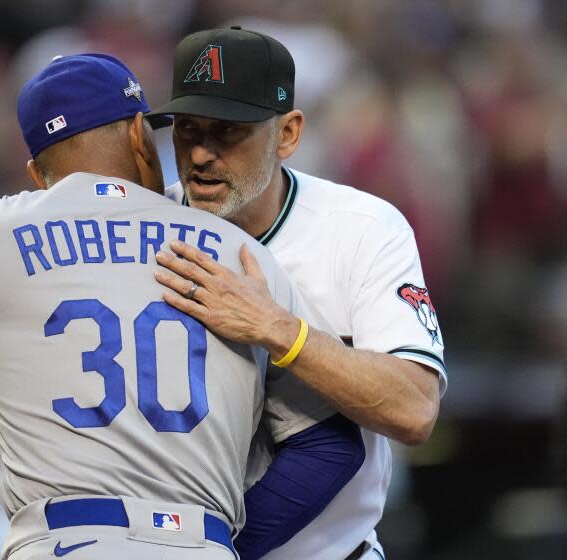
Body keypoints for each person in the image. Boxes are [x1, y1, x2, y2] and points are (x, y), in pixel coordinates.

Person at [0, 53, 363, 560]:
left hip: (59, 541)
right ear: (140, 134)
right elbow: (331, 446)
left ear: (36, 172)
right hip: (199, 542)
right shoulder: (240, 256)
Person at [146, 27, 447, 560]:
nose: (199, 152)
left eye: (228, 130)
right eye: (187, 127)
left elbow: (415, 409)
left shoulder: (362, 228)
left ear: (287, 134)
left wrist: (277, 328)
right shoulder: (141, 231)